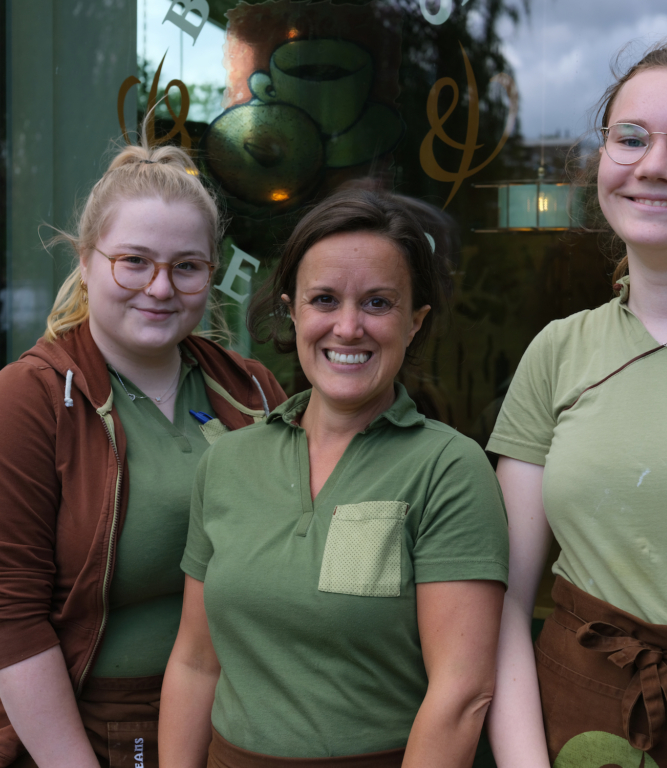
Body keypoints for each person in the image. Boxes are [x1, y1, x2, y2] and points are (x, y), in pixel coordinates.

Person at [486, 39, 667, 768]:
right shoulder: (556, 352)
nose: (654, 165)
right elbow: (506, 608)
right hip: (569, 717)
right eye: (631, 138)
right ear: (603, 160)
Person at [159, 189, 510, 768]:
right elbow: (196, 662)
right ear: (292, 310)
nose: (348, 328)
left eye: (378, 303)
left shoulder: (448, 468)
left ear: (415, 321)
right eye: (324, 300)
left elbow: (462, 694)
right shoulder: (227, 463)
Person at [0, 135, 286, 768]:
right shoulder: (33, 396)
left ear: (212, 272)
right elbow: (10, 620)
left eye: (186, 266)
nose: (160, 288)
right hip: (104, 725)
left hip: (246, 715)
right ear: (86, 259)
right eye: (134, 261)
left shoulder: (250, 387)